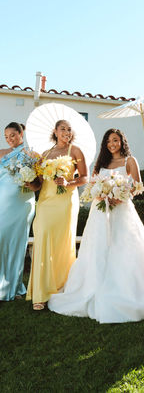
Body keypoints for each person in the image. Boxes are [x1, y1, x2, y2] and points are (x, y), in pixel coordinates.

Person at [48, 128, 144, 323]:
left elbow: (137, 186)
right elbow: (92, 184)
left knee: (123, 247)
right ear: (105, 143)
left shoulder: (130, 161)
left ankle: (128, 290)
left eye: (116, 140)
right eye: (109, 141)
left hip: (121, 210)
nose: (112, 144)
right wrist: (100, 193)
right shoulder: (101, 163)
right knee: (98, 248)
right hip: (100, 212)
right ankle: (92, 286)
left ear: (122, 141)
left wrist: (120, 195)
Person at [26, 120, 88, 310]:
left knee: (62, 243)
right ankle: (40, 292)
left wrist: (68, 182)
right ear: (55, 131)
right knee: (42, 237)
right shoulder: (45, 154)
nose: (67, 132)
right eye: (63, 129)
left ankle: (61, 287)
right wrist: (30, 183)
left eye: (69, 129)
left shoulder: (75, 151)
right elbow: (40, 183)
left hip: (65, 202)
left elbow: (85, 177)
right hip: (45, 201)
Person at [0, 122, 35, 301]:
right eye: (6, 137)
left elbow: (39, 184)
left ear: (21, 133)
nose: (9, 139)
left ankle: (14, 286)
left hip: (21, 205)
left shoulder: (31, 155)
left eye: (12, 135)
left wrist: (31, 182)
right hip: (2, 203)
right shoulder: (1, 153)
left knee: (16, 244)